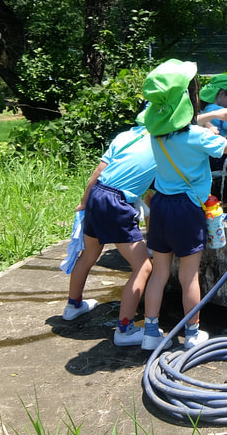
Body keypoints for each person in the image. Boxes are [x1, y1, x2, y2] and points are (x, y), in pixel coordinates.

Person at [140, 59, 227, 351]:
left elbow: (175, 125)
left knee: (159, 274)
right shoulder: (198, 138)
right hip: (187, 210)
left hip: (159, 205)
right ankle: (193, 333)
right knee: (188, 277)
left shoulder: (157, 134)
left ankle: (150, 332)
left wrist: (210, 115)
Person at [62, 120, 155, 347]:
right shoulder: (161, 142)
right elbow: (152, 194)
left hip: (97, 195)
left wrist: (84, 204)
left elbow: (98, 171)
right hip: (116, 203)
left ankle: (72, 306)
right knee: (144, 266)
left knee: (89, 254)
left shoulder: (124, 137)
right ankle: (124, 329)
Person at [199, 74, 227, 172]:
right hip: (221, 153)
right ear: (221, 94)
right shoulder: (220, 111)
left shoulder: (202, 109)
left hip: (207, 154)